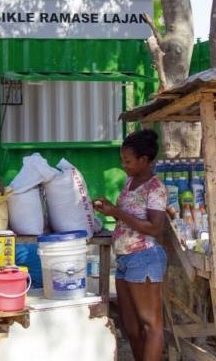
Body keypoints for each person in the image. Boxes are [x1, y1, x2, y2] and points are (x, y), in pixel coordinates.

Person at [93, 129, 167, 361]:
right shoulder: (130, 182)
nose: (124, 165)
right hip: (125, 259)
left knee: (151, 325)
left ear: (144, 160)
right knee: (131, 327)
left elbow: (155, 228)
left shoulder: (155, 188)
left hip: (144, 258)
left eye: (128, 161)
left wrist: (116, 211)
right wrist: (111, 210)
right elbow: (127, 217)